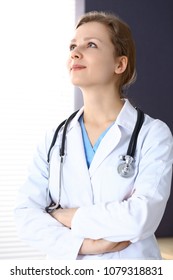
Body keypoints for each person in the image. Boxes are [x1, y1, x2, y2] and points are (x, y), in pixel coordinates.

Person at [14, 11, 173, 260]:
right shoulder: (54, 139)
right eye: (72, 46)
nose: (75, 53)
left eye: (91, 45)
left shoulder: (152, 134)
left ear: (119, 64)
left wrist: (65, 215)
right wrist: (85, 245)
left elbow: (140, 218)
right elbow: (25, 215)